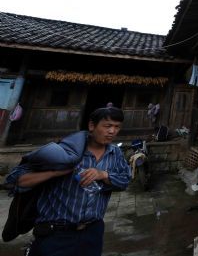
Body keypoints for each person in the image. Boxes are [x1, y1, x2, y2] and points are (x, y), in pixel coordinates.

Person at [6, 106, 131, 256]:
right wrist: (55, 173)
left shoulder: (115, 153)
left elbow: (125, 180)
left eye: (117, 127)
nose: (112, 131)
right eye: (107, 126)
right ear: (92, 125)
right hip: (56, 233)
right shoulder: (65, 151)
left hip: (92, 232)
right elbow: (17, 180)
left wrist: (103, 174)